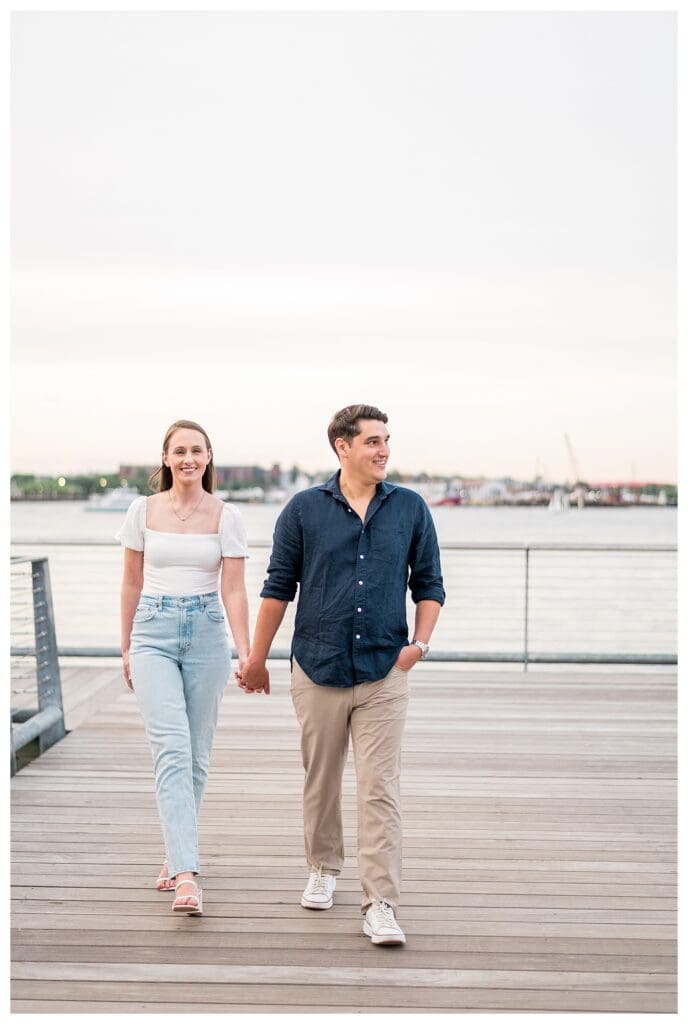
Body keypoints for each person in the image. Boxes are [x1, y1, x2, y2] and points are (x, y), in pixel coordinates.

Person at [237, 404, 444, 945]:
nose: (384, 451)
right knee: (321, 780)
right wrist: (256, 659)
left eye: (387, 441)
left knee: (380, 790)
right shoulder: (304, 509)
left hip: (384, 669)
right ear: (342, 447)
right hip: (317, 665)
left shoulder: (410, 508)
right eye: (373, 441)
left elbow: (430, 584)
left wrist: (417, 646)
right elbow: (278, 587)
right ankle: (324, 867)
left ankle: (380, 903)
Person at [117, 419, 250, 915]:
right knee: (170, 748)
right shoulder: (142, 510)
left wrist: (245, 651)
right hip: (151, 631)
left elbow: (234, 588)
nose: (188, 458)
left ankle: (175, 852)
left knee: (195, 756)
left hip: (207, 634)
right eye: (179, 451)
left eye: (197, 450)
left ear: (209, 457)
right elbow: (130, 582)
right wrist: (126, 646)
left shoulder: (226, 515)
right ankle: (187, 877)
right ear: (167, 459)